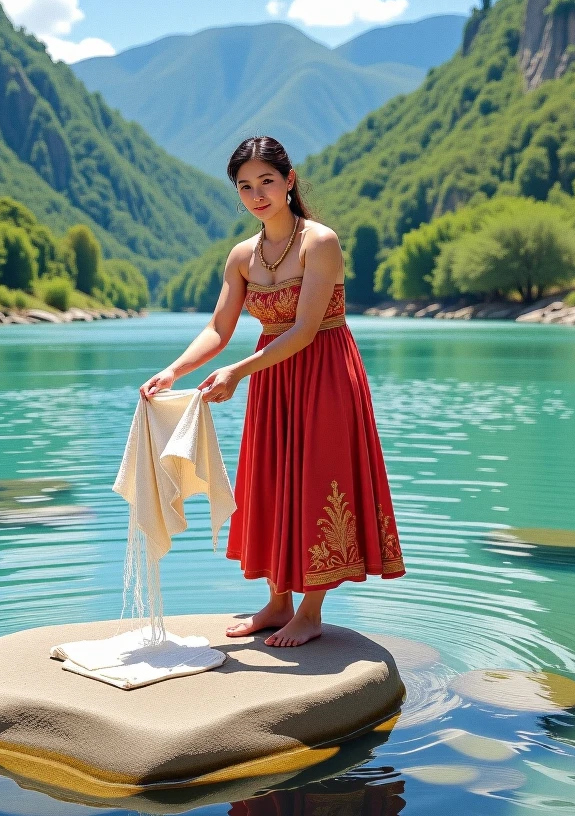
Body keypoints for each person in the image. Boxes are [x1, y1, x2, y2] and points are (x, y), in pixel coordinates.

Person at [140, 136, 404, 647]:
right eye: (245, 186)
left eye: (267, 181)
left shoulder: (319, 242)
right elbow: (218, 328)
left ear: (289, 181)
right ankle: (278, 603)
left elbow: (305, 329)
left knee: (317, 481)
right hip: (271, 377)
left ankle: (310, 610)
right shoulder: (242, 256)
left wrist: (237, 373)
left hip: (324, 372)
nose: (257, 194)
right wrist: (172, 372)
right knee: (274, 482)